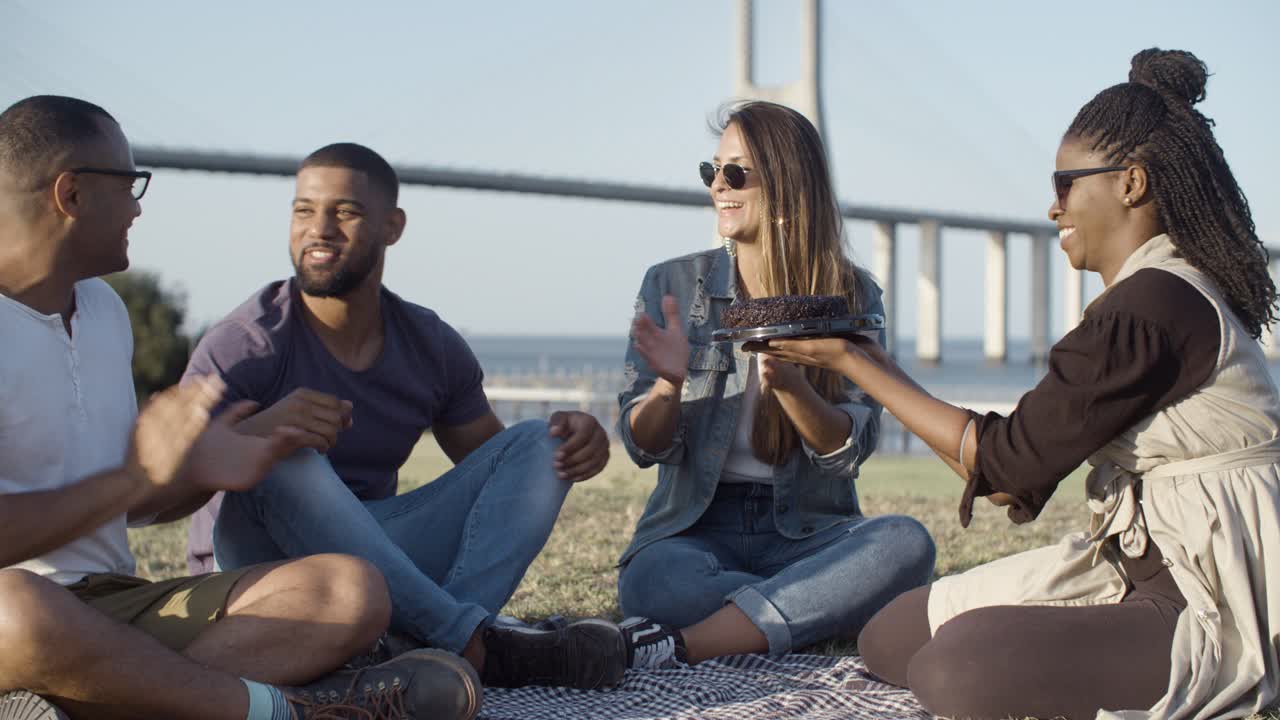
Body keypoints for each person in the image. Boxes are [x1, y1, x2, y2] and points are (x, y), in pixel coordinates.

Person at [755, 49, 1280, 719]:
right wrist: (863, 356)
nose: (1053, 208)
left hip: (1211, 596)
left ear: (1131, 184)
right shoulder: (1144, 300)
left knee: (956, 667)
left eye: (1066, 184)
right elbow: (1005, 476)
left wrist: (854, 365)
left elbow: (1004, 461)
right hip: (1133, 568)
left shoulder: (1151, 309)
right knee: (892, 637)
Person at [0, 95, 482, 720]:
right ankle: (286, 710)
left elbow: (128, 504)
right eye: (130, 184)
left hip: (113, 601)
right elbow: (114, 490)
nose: (139, 206)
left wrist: (207, 467)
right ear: (71, 194)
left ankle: (105, 697)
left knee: (350, 590)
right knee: (20, 612)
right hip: (20, 608)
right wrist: (136, 476)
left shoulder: (101, 312)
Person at [183, 142, 628, 690]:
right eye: (303, 210)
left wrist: (579, 445)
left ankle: (417, 647)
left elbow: (494, 466)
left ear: (393, 227)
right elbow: (177, 474)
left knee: (541, 445)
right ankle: (469, 643)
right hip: (254, 576)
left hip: (378, 564)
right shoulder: (245, 343)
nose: (318, 228)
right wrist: (262, 432)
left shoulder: (428, 343)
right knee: (284, 452)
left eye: (344, 211)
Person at [614, 100, 936, 669]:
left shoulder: (852, 295)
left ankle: (727, 628)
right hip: (695, 531)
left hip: (810, 534)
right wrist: (667, 385)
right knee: (654, 582)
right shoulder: (671, 283)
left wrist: (792, 387)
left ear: (787, 185)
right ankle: (809, 612)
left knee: (907, 544)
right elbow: (643, 446)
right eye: (711, 170)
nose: (718, 185)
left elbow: (848, 454)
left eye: (736, 172)